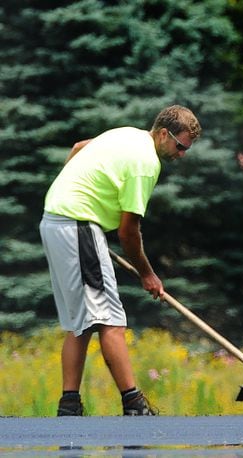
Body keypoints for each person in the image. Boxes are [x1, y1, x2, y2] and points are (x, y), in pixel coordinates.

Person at [39, 105, 201, 415]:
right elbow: (129, 232)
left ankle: (69, 406)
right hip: (77, 225)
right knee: (111, 320)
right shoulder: (145, 165)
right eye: (180, 147)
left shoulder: (129, 135)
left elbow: (78, 148)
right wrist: (148, 275)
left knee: (80, 324)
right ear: (164, 134)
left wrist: (67, 193)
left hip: (56, 220)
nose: (182, 155)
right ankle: (134, 405)